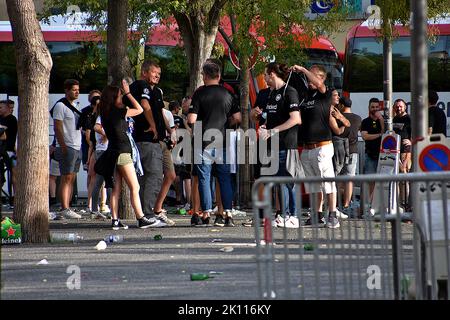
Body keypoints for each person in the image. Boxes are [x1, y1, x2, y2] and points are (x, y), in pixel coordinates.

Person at [94, 80, 157, 229]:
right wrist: (128, 93)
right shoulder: (118, 112)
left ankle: (115, 220)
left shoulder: (105, 113)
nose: (121, 97)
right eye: (120, 95)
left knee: (115, 189)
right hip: (123, 153)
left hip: (112, 153)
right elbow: (140, 109)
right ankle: (141, 218)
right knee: (135, 187)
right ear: (113, 97)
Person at [188, 62, 241, 227]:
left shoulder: (199, 94)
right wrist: (226, 124)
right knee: (224, 178)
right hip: (223, 141)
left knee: (204, 178)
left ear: (204, 75)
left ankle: (206, 213)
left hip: (203, 142)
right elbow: (238, 118)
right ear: (218, 76)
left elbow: (191, 119)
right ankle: (228, 213)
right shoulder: (228, 94)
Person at [291, 64, 344, 229]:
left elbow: (319, 84)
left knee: (327, 181)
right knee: (313, 184)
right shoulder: (306, 95)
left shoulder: (325, 93)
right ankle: (317, 214)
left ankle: (333, 214)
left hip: (322, 146)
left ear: (321, 78)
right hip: (307, 147)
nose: (308, 79)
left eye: (312, 76)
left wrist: (304, 70)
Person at [126, 60, 174, 227]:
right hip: (147, 139)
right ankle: (147, 215)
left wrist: (169, 130)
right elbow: (145, 106)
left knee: (166, 175)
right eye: (154, 72)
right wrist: (152, 125)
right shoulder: (141, 85)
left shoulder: (156, 91)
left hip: (159, 140)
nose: (157, 76)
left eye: (159, 74)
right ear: (145, 72)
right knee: (152, 176)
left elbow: (159, 112)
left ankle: (152, 211)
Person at [51, 79, 83, 219]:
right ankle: (64, 207)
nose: (77, 92)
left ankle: (68, 206)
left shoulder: (75, 106)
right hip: (67, 146)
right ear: (66, 90)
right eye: (74, 89)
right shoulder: (60, 106)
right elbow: (57, 127)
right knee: (65, 177)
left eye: (78, 89)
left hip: (77, 146)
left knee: (72, 177)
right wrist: (62, 146)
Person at [336, 97, 362, 216]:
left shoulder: (338, 117)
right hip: (353, 150)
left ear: (341, 105)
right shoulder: (358, 118)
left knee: (337, 179)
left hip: (338, 150)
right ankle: (346, 205)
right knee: (349, 179)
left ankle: (337, 205)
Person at [361, 97, 384, 201]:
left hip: (383, 156)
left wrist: (381, 120)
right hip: (370, 155)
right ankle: (371, 203)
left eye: (376, 107)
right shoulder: (365, 121)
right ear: (369, 108)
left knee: (383, 181)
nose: (374, 109)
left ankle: (380, 203)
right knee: (371, 181)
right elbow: (365, 136)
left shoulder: (383, 120)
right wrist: (379, 135)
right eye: (372, 107)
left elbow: (386, 133)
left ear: (379, 107)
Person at [393, 98, 412, 210]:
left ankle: (406, 205)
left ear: (405, 107)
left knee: (404, 179)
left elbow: (412, 138)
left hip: (405, 153)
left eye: (401, 106)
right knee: (397, 180)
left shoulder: (409, 119)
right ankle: (399, 205)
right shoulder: (394, 119)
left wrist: (407, 157)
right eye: (397, 106)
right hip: (394, 152)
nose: (399, 108)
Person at [0, 99, 17, 208]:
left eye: (1, 107)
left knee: (15, 174)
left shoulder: (11, 119)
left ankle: (15, 198)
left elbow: (5, 136)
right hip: (4, 150)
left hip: (8, 150)